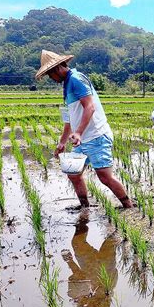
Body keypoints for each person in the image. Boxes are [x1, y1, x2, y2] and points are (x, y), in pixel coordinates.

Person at [35, 50, 133, 209]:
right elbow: (69, 119)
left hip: (96, 136)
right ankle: (85, 206)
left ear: (58, 68)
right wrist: (62, 143)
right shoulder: (67, 85)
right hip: (82, 140)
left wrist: (78, 132)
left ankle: (129, 206)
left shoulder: (76, 79)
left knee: (105, 177)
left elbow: (90, 107)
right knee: (74, 174)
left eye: (50, 74)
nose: (50, 78)